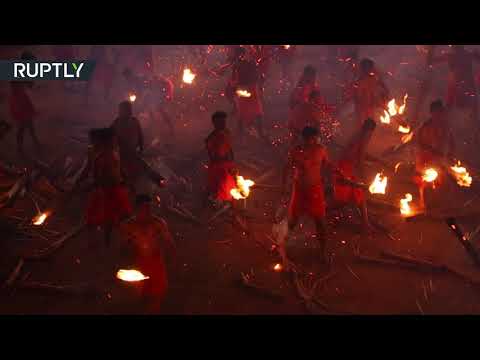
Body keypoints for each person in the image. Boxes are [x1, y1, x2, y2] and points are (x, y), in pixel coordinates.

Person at [282, 126, 337, 265]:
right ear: (306, 139)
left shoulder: (321, 150)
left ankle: (323, 251)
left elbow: (327, 165)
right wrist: (284, 186)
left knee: (320, 221)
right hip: (299, 189)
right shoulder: (296, 151)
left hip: (315, 189)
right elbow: (287, 167)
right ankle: (281, 246)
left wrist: (335, 177)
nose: (315, 141)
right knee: (293, 220)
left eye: (316, 138)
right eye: (313, 139)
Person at [74, 127, 133, 247]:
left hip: (114, 189)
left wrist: (125, 179)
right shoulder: (99, 155)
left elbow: (119, 169)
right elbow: (93, 171)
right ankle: (99, 241)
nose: (115, 142)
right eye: (113, 140)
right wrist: (82, 181)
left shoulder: (113, 153)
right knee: (102, 218)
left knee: (115, 217)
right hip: (105, 190)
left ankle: (116, 240)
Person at [120, 194, 176, 312]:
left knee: (156, 298)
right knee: (139, 298)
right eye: (143, 208)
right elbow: (122, 248)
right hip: (137, 264)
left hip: (156, 264)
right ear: (137, 209)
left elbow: (169, 243)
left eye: (149, 208)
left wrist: (171, 256)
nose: (147, 211)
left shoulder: (158, 223)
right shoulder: (129, 225)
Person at [333, 118, 376, 231]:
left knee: (357, 195)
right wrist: (364, 177)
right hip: (345, 167)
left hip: (345, 166)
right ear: (370, 130)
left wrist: (378, 160)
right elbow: (361, 157)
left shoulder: (358, 134)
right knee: (344, 199)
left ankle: (365, 223)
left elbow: (359, 153)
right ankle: (323, 212)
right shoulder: (364, 136)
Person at [414, 100, 455, 211]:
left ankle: (438, 204)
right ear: (432, 113)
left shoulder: (445, 127)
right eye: (436, 112)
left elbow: (451, 142)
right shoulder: (425, 127)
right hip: (425, 159)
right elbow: (419, 144)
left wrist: (450, 156)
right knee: (423, 182)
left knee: (440, 181)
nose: (438, 115)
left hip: (438, 160)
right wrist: (427, 153)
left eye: (440, 112)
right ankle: (424, 203)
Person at [430, 45, 480, 130]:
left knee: (470, 111)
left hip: (461, 86)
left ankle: (474, 130)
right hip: (461, 86)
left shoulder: (454, 55)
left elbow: (431, 61)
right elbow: (431, 61)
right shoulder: (464, 54)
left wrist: (431, 50)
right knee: (454, 109)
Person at [8, 51, 41, 157]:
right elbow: (19, 85)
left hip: (22, 99)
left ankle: (33, 142)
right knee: (22, 126)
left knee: (29, 123)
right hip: (18, 101)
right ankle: (20, 147)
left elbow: (29, 85)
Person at [342, 58, 390, 127]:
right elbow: (353, 95)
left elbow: (383, 89)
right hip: (361, 109)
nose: (368, 70)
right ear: (362, 69)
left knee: (370, 126)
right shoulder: (358, 82)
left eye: (369, 68)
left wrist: (383, 98)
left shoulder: (374, 79)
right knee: (362, 127)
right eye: (366, 68)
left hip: (371, 108)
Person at [111, 101, 144, 192]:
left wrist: (141, 148)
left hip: (132, 152)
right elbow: (110, 135)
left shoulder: (134, 121)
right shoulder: (117, 122)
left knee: (132, 172)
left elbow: (140, 136)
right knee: (122, 171)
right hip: (121, 152)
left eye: (122, 110)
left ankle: (131, 188)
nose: (120, 112)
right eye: (120, 110)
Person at [205, 111, 237, 205]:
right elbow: (211, 154)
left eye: (224, 122)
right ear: (214, 123)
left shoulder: (227, 132)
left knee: (229, 188)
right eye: (220, 122)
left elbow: (230, 148)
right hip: (219, 167)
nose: (223, 124)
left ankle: (227, 204)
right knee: (220, 189)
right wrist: (218, 166)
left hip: (228, 164)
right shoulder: (212, 138)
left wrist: (232, 162)